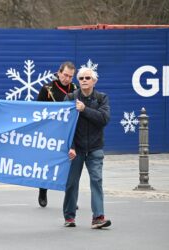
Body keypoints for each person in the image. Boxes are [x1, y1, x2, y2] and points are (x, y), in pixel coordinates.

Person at [63, 66, 111, 229]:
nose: (84, 81)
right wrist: (71, 147)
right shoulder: (70, 97)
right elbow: (65, 125)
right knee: (71, 183)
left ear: (94, 81)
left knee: (96, 181)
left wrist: (84, 110)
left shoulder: (101, 98)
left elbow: (103, 119)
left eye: (87, 78)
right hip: (76, 148)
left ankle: (98, 217)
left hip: (95, 147)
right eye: (81, 78)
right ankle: (69, 217)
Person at [36, 61, 77, 207]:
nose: (67, 79)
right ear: (59, 73)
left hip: (69, 132)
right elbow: (37, 111)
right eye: (65, 75)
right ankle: (43, 191)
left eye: (70, 76)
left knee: (70, 165)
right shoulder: (47, 89)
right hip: (50, 131)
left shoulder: (75, 89)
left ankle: (70, 197)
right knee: (46, 164)